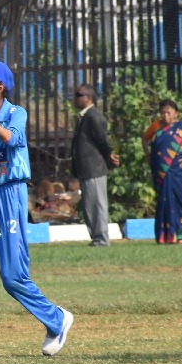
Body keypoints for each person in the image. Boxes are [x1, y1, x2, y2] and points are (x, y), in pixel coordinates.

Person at [0, 60, 73, 356]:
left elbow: (14, 139)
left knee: (13, 276)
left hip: (9, 194)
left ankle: (56, 319)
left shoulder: (16, 112)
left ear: (0, 86)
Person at [141, 99, 182, 245]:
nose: (165, 115)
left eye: (168, 112)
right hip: (160, 172)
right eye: (163, 112)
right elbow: (145, 139)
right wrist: (148, 156)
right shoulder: (156, 126)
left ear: (175, 113)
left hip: (177, 170)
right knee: (162, 202)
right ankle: (165, 236)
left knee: (179, 201)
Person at [71, 84, 120, 246]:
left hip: (95, 168)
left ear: (88, 98)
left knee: (97, 205)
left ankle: (102, 239)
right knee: (89, 206)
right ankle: (96, 238)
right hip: (87, 168)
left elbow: (103, 140)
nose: (75, 98)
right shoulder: (85, 116)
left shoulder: (94, 116)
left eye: (78, 95)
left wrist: (109, 155)